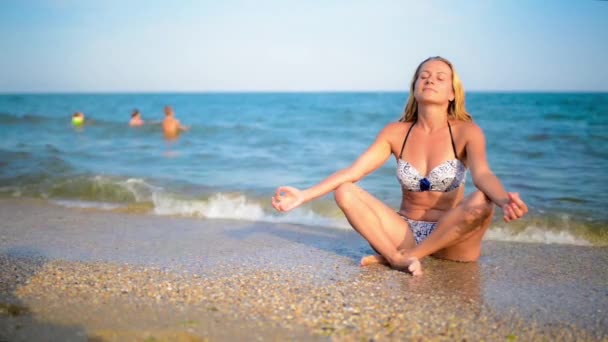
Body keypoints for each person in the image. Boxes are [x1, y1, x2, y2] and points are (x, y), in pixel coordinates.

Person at [271, 56, 528, 276]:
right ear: (415, 86)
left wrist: (504, 199)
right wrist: (304, 195)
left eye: (440, 78)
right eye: (424, 76)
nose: (430, 80)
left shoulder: (467, 132)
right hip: (404, 231)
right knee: (345, 190)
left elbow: (483, 174)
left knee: (484, 200)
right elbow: (353, 172)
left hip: (452, 239)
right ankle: (397, 256)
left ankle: (400, 257)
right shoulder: (395, 132)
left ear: (452, 93)